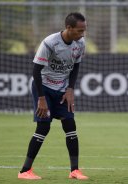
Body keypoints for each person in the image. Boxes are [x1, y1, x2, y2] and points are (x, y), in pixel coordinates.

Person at [18, 12, 88, 180]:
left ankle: (74, 171)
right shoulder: (50, 43)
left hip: (62, 89)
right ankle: (24, 171)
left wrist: (70, 89)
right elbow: (36, 70)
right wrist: (41, 99)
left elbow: (76, 66)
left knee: (70, 124)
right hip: (42, 87)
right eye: (79, 30)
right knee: (43, 127)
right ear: (68, 28)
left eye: (84, 30)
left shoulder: (80, 43)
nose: (82, 34)